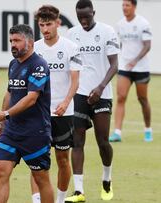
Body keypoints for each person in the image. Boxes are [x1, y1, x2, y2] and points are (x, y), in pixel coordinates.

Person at [0, 24, 54, 203]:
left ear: (29, 42)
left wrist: (5, 114)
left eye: (17, 40)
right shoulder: (13, 64)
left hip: (35, 133)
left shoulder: (39, 65)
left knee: (41, 179)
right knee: (0, 172)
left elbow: (31, 98)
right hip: (11, 131)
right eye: (11, 41)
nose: (12, 44)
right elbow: (10, 93)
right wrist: (2, 124)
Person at [65, 0, 120, 202]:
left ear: (93, 12)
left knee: (103, 142)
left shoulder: (107, 32)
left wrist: (100, 87)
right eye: (80, 17)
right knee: (77, 142)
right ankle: (79, 191)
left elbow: (114, 65)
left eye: (87, 16)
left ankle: (106, 179)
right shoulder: (72, 34)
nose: (84, 20)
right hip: (79, 94)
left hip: (102, 94)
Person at [30, 5, 81, 203]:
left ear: (57, 23)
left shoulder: (71, 48)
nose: (45, 29)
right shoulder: (35, 48)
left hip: (63, 113)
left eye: (48, 24)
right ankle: (36, 200)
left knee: (62, 160)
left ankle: (59, 200)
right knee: (36, 161)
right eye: (41, 25)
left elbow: (75, 80)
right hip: (39, 114)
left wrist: (66, 101)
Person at [109, 0, 152, 142]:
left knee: (143, 99)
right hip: (125, 67)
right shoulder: (120, 24)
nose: (124, 8)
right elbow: (120, 44)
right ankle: (117, 132)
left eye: (127, 5)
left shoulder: (143, 23)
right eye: (123, 5)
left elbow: (147, 46)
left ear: (134, 6)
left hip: (141, 68)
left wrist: (135, 60)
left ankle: (147, 129)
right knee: (121, 97)